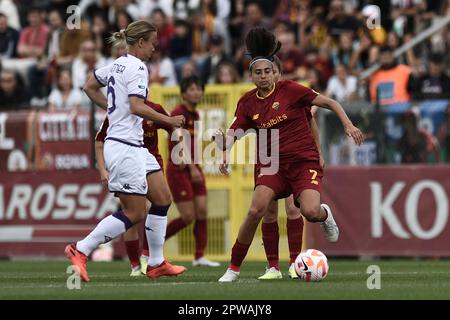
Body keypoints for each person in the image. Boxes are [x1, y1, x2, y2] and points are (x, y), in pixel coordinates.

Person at [215, 27, 364, 282]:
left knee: (307, 211)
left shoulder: (292, 90)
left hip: (302, 162)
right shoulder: (247, 102)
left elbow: (330, 103)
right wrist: (223, 149)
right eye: (258, 72)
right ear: (251, 75)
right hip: (271, 165)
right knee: (257, 210)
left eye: (267, 72)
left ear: (275, 72)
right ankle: (234, 268)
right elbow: (234, 132)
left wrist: (348, 125)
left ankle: (323, 217)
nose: (263, 76)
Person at [65, 20, 186, 282]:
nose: (155, 48)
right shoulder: (138, 67)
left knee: (163, 198)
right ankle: (81, 248)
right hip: (123, 146)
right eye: (153, 43)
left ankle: (155, 263)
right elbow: (136, 106)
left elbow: (88, 86)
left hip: (135, 146)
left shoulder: (116, 64)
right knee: (135, 213)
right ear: (141, 42)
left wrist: (110, 109)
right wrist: (168, 120)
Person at [257, 55, 325, 280]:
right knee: (268, 212)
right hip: (267, 158)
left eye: (273, 71)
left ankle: (295, 263)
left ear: (278, 73)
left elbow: (310, 123)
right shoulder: (253, 100)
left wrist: (319, 152)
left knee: (294, 209)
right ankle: (272, 267)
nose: (269, 76)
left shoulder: (292, 95)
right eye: (263, 72)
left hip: (294, 158)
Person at [95, 99, 173, 276]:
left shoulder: (155, 108)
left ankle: (147, 257)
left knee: (157, 205)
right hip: (127, 165)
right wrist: (102, 170)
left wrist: (180, 147)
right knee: (135, 214)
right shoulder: (118, 111)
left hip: (151, 166)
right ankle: (136, 266)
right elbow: (99, 141)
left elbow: (173, 128)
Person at [165, 75, 220, 267]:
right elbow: (180, 141)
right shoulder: (178, 112)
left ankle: (199, 256)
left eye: (199, 88)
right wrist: (190, 167)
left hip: (194, 167)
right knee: (188, 217)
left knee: (202, 211)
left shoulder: (195, 115)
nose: (196, 92)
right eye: (192, 89)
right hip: (180, 169)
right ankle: (151, 247)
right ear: (183, 93)